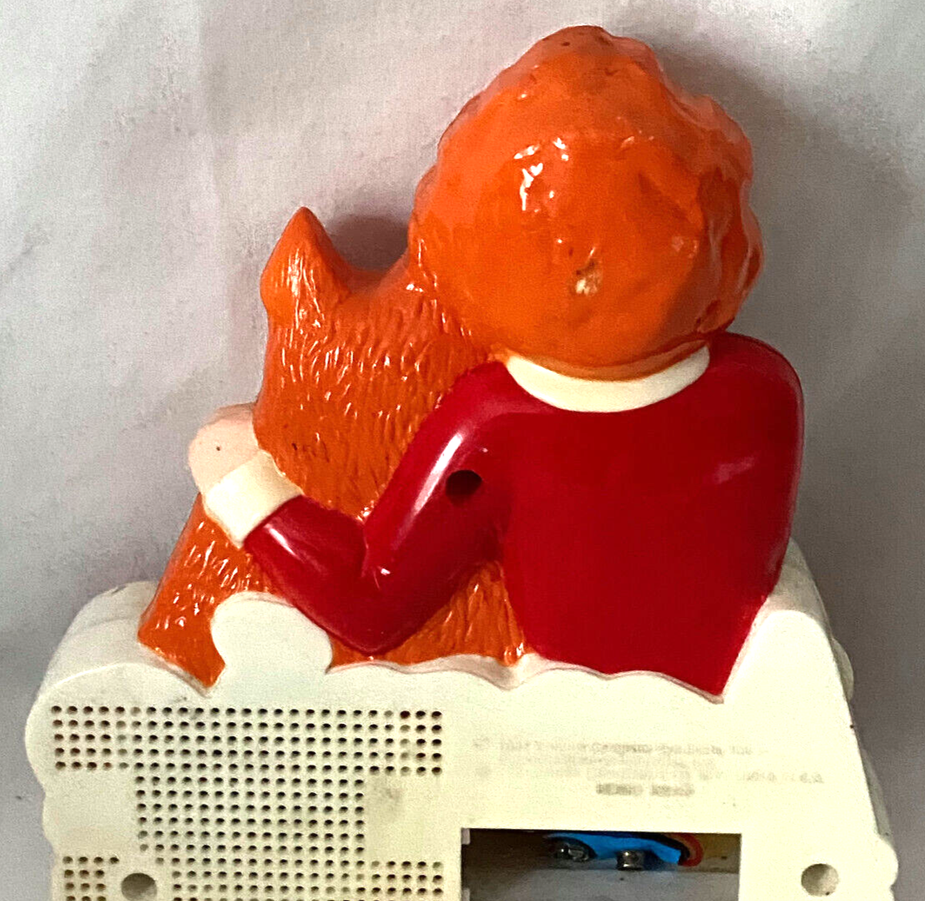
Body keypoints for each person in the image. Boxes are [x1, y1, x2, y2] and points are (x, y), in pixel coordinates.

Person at [188, 27, 802, 697]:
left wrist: (243, 485)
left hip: (559, 707)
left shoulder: (497, 425)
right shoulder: (765, 393)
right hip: (730, 704)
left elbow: (372, 608)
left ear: (463, 254)